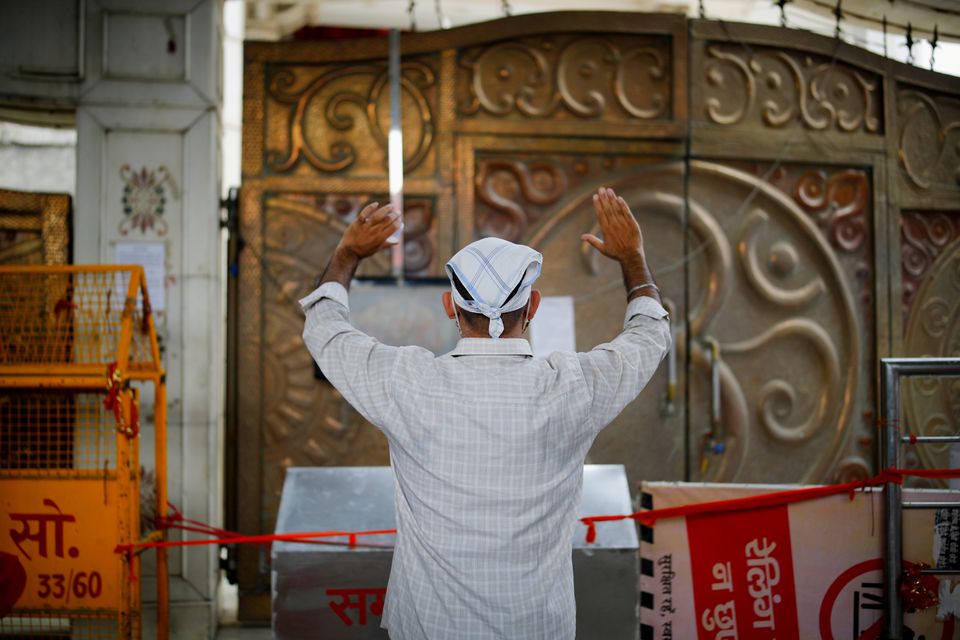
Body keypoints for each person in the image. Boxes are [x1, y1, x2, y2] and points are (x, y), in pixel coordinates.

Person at [300, 187, 670, 640]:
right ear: (533, 307)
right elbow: (649, 334)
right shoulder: (574, 387)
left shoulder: (407, 383)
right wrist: (632, 257)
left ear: (449, 307)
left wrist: (347, 254)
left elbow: (324, 328)